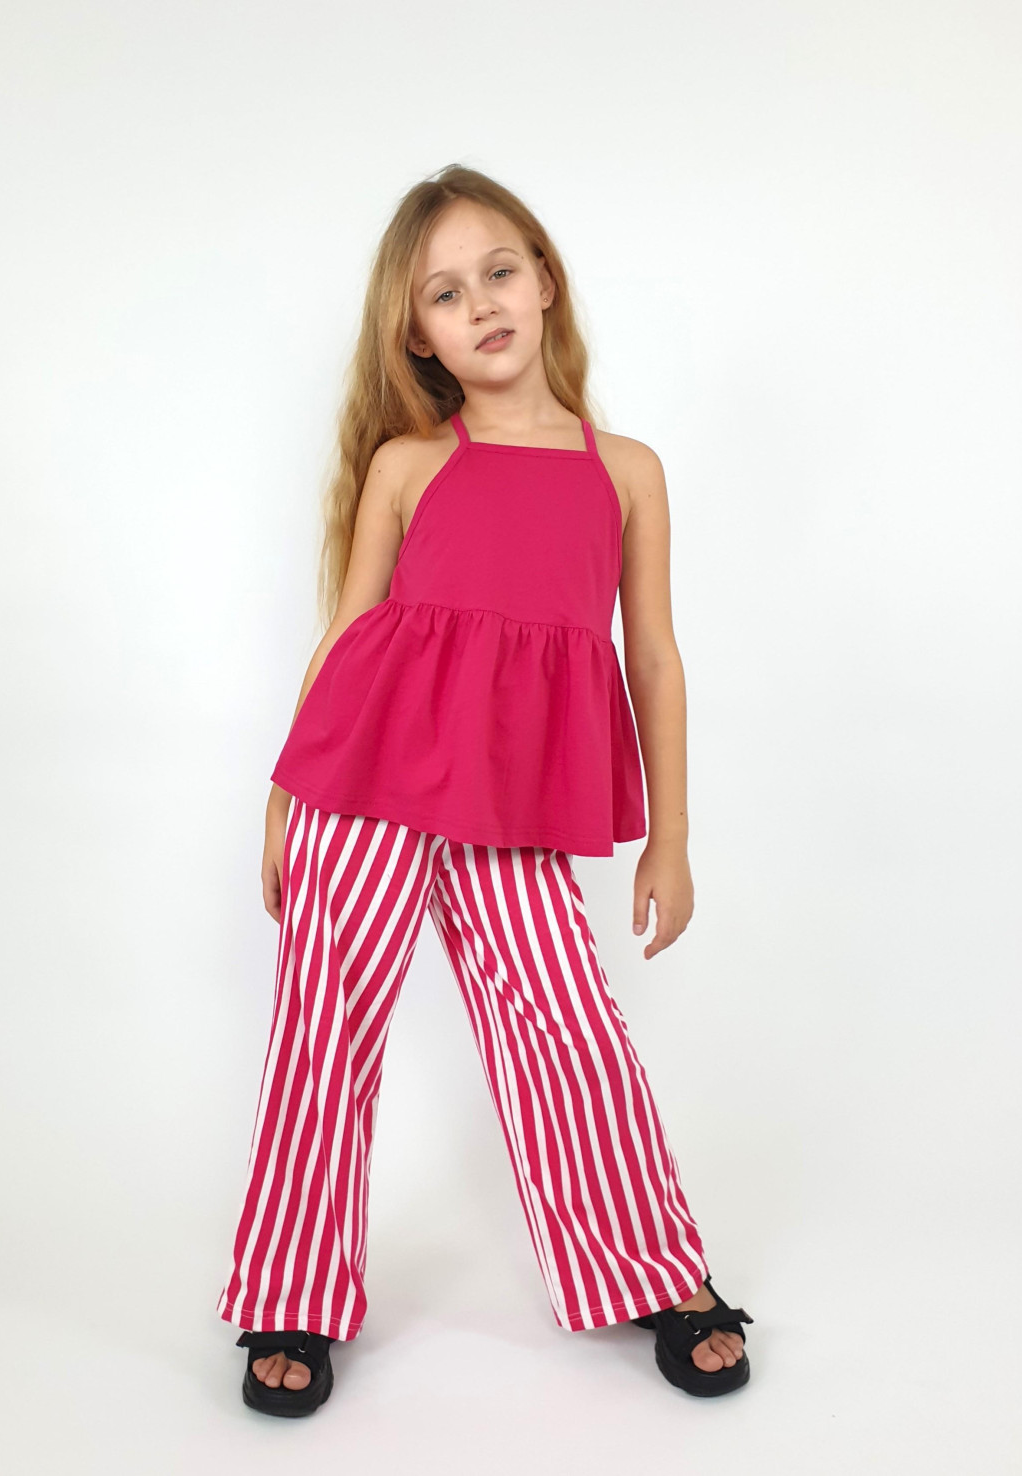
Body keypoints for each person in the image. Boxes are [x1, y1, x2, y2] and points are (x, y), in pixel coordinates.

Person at [215, 163, 755, 1417]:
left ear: (545, 278)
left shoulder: (626, 470)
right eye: (445, 294)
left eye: (498, 272)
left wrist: (669, 838)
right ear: (418, 335)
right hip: (366, 783)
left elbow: (652, 655)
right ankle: (291, 1292)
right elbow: (349, 634)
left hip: (514, 798)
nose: (482, 305)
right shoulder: (409, 464)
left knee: (568, 1031)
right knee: (322, 1029)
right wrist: (284, 792)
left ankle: (652, 1269)